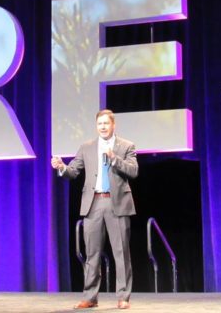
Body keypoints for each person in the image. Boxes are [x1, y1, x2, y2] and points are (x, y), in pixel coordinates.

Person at [51, 109, 138, 310]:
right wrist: (62, 167)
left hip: (117, 203)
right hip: (93, 203)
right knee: (92, 254)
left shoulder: (126, 146)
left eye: (106, 123)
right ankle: (90, 297)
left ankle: (123, 297)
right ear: (96, 126)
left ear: (113, 125)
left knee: (121, 253)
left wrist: (114, 158)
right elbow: (73, 171)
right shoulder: (87, 147)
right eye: (100, 124)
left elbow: (133, 171)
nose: (103, 127)